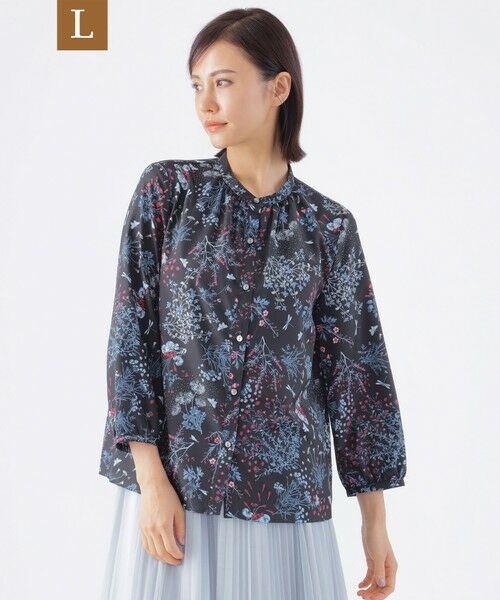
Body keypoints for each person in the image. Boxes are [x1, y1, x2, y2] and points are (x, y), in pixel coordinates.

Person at [98, 8, 407, 600]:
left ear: (278, 87)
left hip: (286, 502)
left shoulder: (329, 227)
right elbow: (130, 337)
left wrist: (375, 522)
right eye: (197, 85)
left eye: (223, 81)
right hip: (178, 493)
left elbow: (357, 376)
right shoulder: (167, 193)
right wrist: (150, 477)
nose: (205, 103)